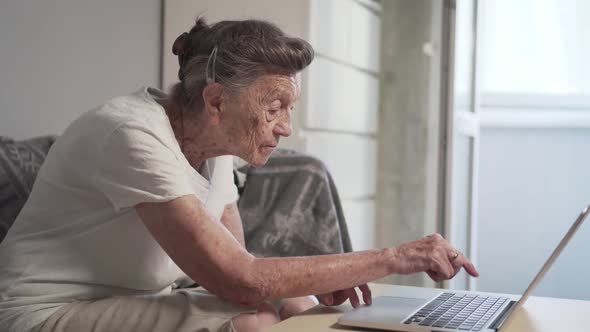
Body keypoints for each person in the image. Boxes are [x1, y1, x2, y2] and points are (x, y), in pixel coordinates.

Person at [0, 17, 478, 332]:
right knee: (255, 318)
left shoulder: (216, 143)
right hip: (43, 312)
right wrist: (394, 257)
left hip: (131, 295)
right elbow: (242, 281)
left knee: (302, 305)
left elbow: (237, 259)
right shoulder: (131, 133)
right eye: (274, 108)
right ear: (215, 101)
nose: (286, 127)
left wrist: (309, 285)